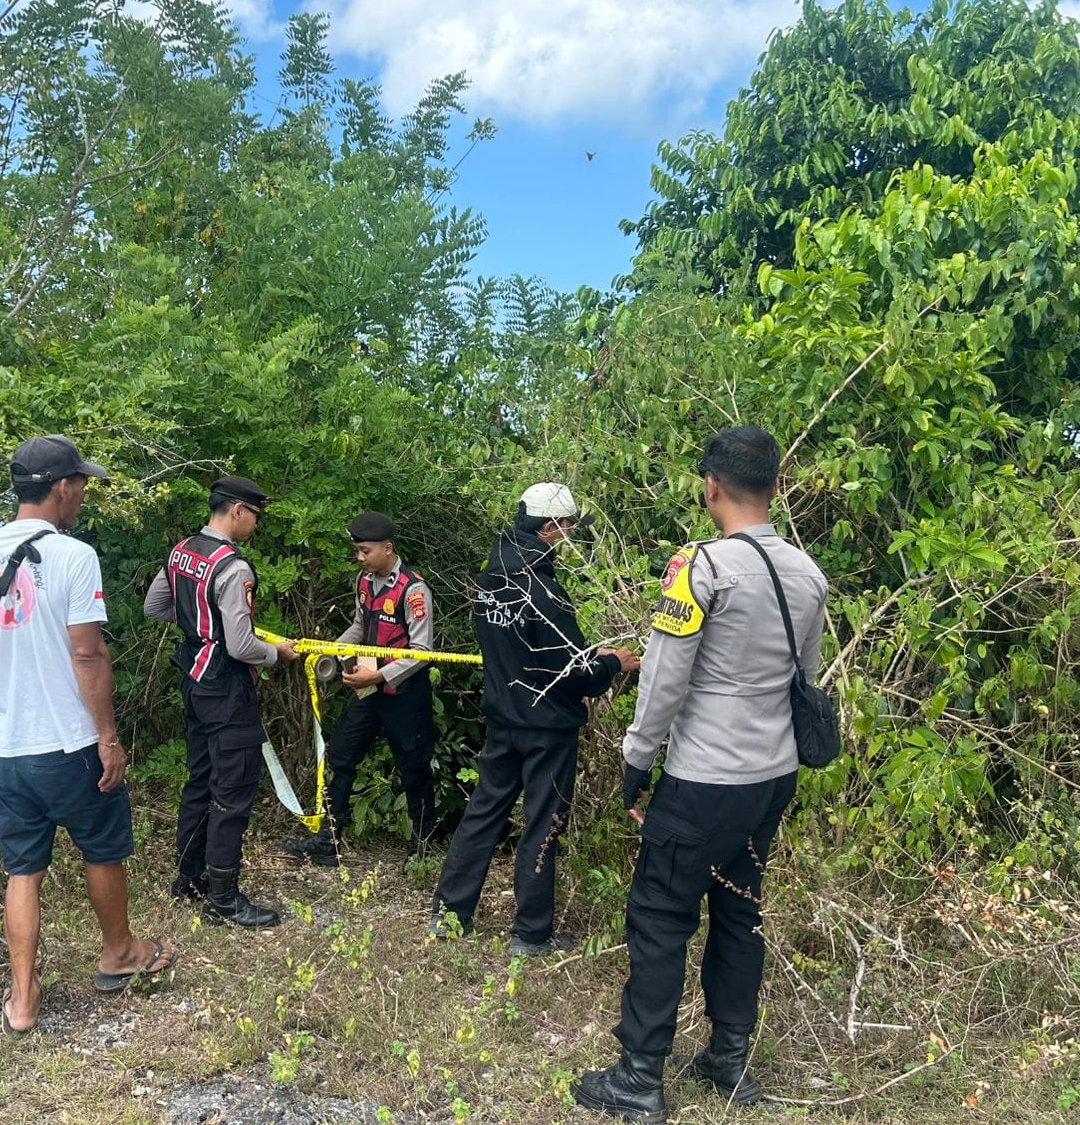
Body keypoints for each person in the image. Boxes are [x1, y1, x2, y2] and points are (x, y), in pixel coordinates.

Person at [576, 426, 829, 1118]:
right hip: (772, 777)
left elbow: (664, 678)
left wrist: (636, 759)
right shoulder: (808, 575)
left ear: (711, 486)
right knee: (740, 911)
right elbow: (803, 679)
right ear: (775, 486)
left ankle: (637, 1079)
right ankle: (727, 1060)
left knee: (660, 915)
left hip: (704, 777)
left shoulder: (699, 567)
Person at [0, 435, 176, 1038]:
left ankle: (23, 1000)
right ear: (60, 487)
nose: (82, 494)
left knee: (22, 869)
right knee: (101, 846)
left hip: (6, 749)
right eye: (80, 484)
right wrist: (108, 736)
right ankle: (120, 953)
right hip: (70, 744)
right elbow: (88, 653)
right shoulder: (74, 556)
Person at [429, 482, 640, 957]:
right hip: (547, 727)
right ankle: (531, 934)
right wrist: (613, 663)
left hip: (503, 718)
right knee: (544, 823)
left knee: (483, 814)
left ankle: (448, 916)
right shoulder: (542, 588)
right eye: (567, 528)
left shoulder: (490, 579)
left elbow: (519, 652)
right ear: (549, 527)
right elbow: (576, 672)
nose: (569, 537)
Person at [144, 475, 299, 929]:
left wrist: (198, 624)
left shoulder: (182, 551)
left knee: (200, 780)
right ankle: (223, 899)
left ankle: (189, 880)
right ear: (237, 510)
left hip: (193, 679)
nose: (255, 525)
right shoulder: (234, 568)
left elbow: (155, 606)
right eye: (255, 516)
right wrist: (278, 654)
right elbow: (242, 646)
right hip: (227, 688)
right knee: (232, 789)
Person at [282, 511, 438, 866]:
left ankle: (422, 848)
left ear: (388, 548)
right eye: (357, 551)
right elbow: (359, 625)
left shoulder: (413, 590)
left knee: (414, 768)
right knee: (340, 756)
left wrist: (379, 676)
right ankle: (328, 842)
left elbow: (423, 652)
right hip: (368, 692)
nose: (360, 558)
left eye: (365, 551)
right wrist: (330, 649)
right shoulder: (364, 581)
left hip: (404, 693)